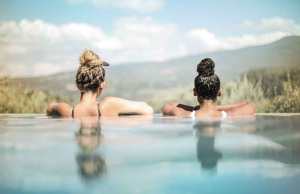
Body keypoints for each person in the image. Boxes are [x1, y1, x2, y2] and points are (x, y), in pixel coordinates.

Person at [47, 50, 153, 118]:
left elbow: (50, 108)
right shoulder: (109, 105)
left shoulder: (66, 111)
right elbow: (148, 109)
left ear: (78, 85)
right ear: (102, 84)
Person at [161, 58, 255, 119]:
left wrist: (197, 108)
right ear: (219, 92)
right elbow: (249, 106)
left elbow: (168, 106)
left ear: (194, 92)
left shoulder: (184, 115)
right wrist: (214, 108)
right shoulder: (229, 115)